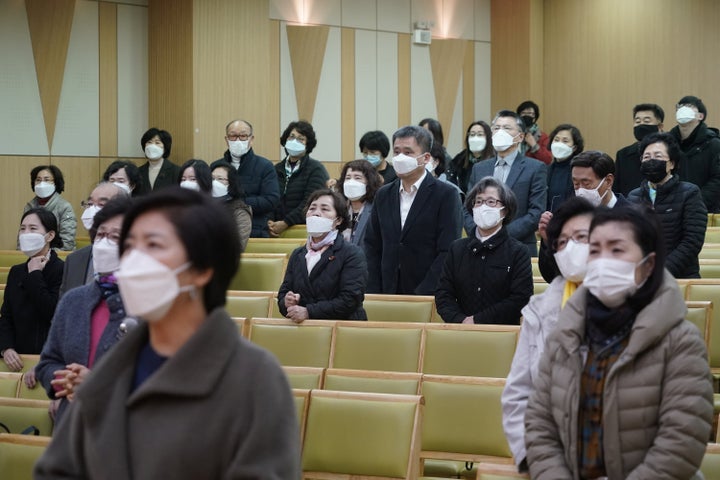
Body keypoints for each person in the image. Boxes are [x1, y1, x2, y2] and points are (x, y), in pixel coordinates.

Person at [34, 187, 300, 479]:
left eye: (154, 245)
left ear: (202, 269)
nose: (134, 260)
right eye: (130, 246)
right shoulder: (115, 365)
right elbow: (59, 467)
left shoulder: (255, 377)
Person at [524, 205, 713, 480]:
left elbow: (681, 441)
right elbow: (539, 424)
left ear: (648, 264)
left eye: (616, 250)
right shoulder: (567, 332)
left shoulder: (681, 340)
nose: (602, 261)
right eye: (595, 250)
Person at [501, 196, 595, 472]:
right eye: (563, 242)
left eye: (581, 237)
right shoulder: (539, 312)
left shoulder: (641, 307)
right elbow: (517, 394)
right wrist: (539, 461)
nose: (571, 248)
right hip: (552, 461)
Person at [36, 195, 133, 423]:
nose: (104, 243)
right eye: (100, 235)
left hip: (124, 433)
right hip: (71, 427)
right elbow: (48, 362)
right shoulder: (74, 301)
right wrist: (65, 380)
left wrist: (95, 384)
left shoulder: (153, 307)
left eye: (115, 237)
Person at [364, 125, 462, 295]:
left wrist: (425, 292)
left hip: (429, 291)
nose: (400, 158)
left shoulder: (446, 194)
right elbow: (372, 245)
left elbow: (448, 250)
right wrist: (375, 289)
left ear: (425, 158)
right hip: (386, 290)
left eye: (407, 152)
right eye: (396, 152)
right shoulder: (384, 194)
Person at [435, 177, 532, 324]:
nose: (483, 207)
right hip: (458, 332)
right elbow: (443, 294)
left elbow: (520, 298)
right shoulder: (457, 248)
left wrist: (477, 320)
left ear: (505, 210)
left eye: (491, 202)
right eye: (478, 202)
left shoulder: (518, 251)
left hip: (501, 335)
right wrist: (460, 321)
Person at [537, 150, 629, 283]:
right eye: (575, 184)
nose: (580, 190)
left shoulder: (632, 218)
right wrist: (549, 241)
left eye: (586, 183)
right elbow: (551, 276)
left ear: (608, 181)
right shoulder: (568, 218)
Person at [466, 110, 547, 256]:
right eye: (496, 128)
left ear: (520, 136)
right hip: (480, 246)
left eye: (507, 128)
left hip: (519, 247)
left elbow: (536, 212)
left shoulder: (535, 168)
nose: (500, 132)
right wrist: (479, 233)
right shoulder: (479, 168)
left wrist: (499, 235)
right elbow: (467, 208)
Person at [278, 189, 367, 321]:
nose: (316, 213)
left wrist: (309, 311)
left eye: (325, 209)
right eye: (312, 208)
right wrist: (287, 301)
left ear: (338, 220)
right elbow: (283, 292)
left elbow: (350, 299)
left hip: (343, 327)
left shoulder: (352, 253)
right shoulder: (298, 254)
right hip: (305, 329)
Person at [628, 132, 707, 278]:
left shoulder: (689, 193)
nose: (651, 161)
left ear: (671, 163)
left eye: (658, 156)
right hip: (642, 277)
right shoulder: (633, 197)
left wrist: (662, 271)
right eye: (646, 157)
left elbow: (692, 241)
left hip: (680, 277)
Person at [0, 208, 64, 372]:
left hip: (48, 359)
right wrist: (6, 348)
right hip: (15, 356)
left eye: (33, 228)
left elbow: (52, 311)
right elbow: (6, 316)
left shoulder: (62, 269)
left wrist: (35, 274)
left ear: (50, 235)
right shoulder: (16, 271)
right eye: (23, 228)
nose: (26, 233)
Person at [60, 182, 129, 297]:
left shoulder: (139, 265)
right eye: (90, 204)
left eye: (101, 204)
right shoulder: (74, 260)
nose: (93, 210)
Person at [217, 119, 280, 237]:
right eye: (233, 136)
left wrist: (236, 204)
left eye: (243, 136)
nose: (238, 140)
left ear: (251, 139)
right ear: (226, 140)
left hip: (256, 230)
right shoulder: (217, 167)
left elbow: (271, 199)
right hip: (222, 230)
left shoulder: (265, 166)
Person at [269, 120, 329, 237]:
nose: (294, 141)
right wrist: (270, 222)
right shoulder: (276, 169)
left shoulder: (316, 169)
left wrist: (286, 222)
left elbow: (310, 202)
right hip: (275, 230)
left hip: (303, 229)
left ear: (308, 144)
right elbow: (270, 198)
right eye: (291, 137)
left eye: (301, 139)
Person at [669, 95, 720, 212]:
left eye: (689, 106)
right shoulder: (667, 143)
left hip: (707, 209)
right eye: (680, 107)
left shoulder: (714, 144)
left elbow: (717, 179)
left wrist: (695, 202)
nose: (683, 109)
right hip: (672, 210)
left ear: (700, 116)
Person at [613, 103, 664, 197]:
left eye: (647, 121)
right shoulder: (623, 155)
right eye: (637, 121)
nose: (641, 125)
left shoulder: (671, 153)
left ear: (660, 127)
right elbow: (616, 189)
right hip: (630, 208)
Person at [23, 165, 76, 251]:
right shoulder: (29, 207)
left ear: (55, 183)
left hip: (57, 257)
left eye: (46, 180)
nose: (42, 183)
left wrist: (43, 253)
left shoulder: (65, 207)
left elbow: (67, 243)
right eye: (38, 180)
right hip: (31, 255)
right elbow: (22, 238)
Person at [336, 159, 382, 247]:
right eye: (348, 178)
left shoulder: (378, 210)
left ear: (369, 182)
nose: (351, 182)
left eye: (357, 178)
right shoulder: (338, 209)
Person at [210, 160, 252, 252]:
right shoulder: (203, 206)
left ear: (231, 183)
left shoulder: (240, 210)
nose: (215, 183)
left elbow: (238, 246)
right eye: (212, 179)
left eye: (220, 179)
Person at [447, 120, 494, 194]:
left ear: (488, 138)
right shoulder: (460, 160)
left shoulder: (495, 160)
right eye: (472, 134)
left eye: (480, 135)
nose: (475, 138)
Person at [545, 124, 584, 212]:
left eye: (565, 141)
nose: (559, 144)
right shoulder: (545, 170)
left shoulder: (579, 172)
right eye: (556, 140)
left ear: (574, 147)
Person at [136, 127, 181, 195]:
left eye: (157, 143)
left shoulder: (176, 171)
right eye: (149, 142)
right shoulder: (137, 172)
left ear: (165, 148)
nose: (152, 146)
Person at [517, 100, 552, 165]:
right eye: (523, 113)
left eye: (530, 113)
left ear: (535, 117)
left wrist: (534, 145)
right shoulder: (512, 134)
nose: (526, 115)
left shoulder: (543, 136)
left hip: (534, 172)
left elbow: (548, 160)